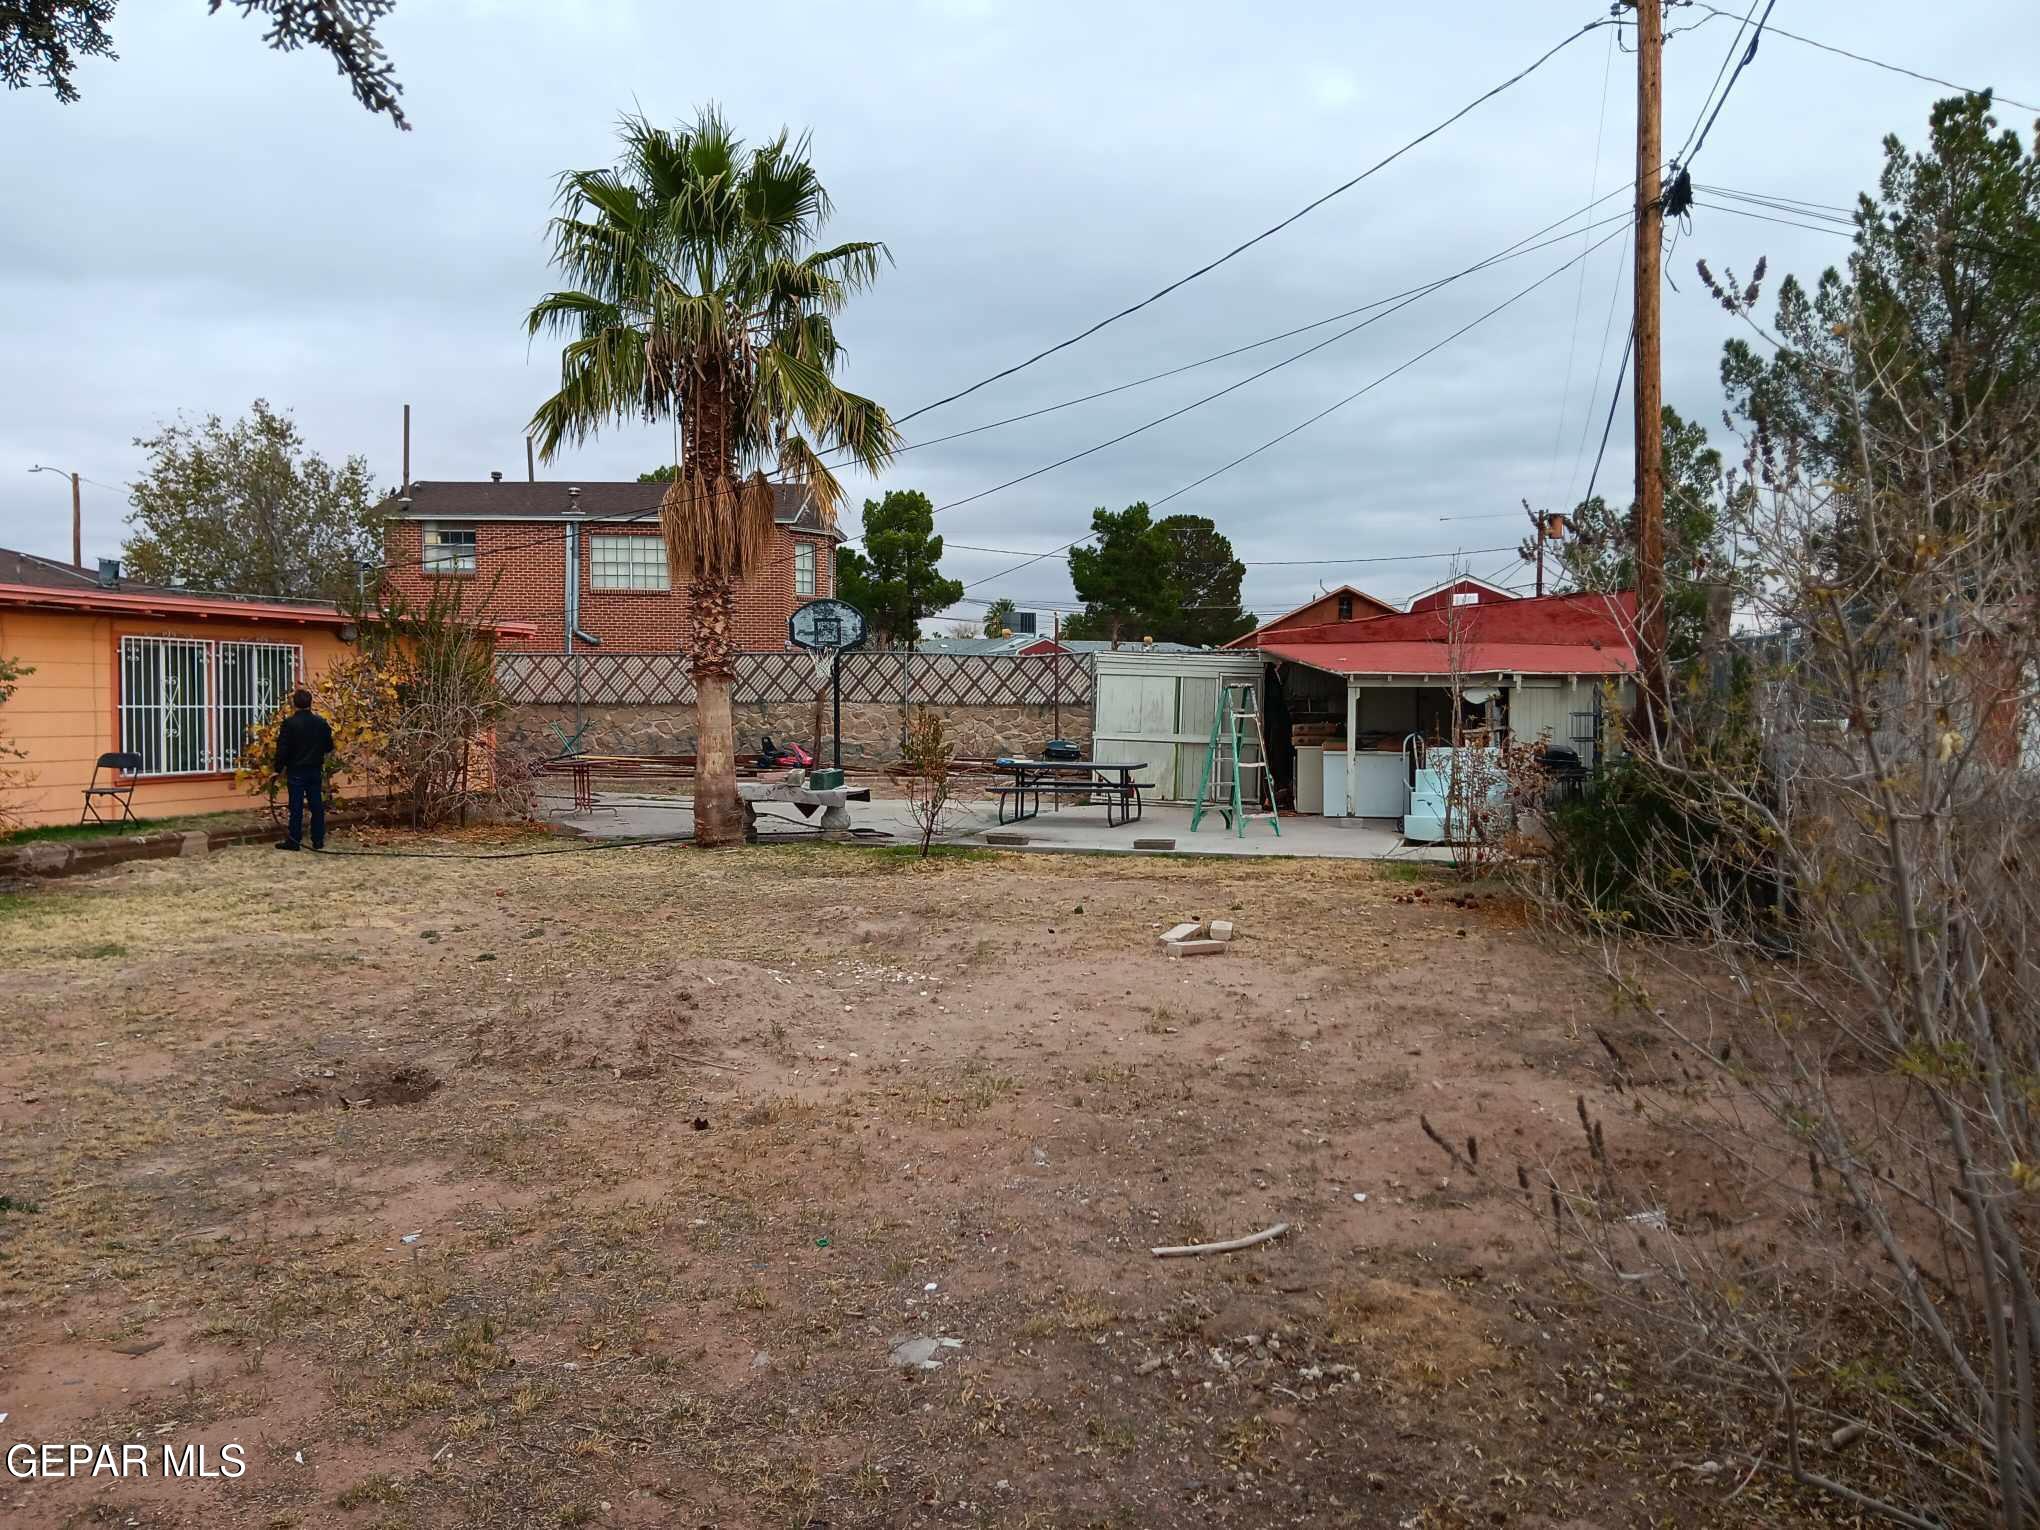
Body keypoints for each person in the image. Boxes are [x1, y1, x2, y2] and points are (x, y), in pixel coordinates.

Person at [273, 688, 335, 851]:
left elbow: (283, 749)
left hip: (296, 770)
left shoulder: (289, 724)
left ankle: (294, 841)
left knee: (296, 807)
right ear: (310, 703)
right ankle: (318, 840)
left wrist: (278, 768)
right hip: (314, 769)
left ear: (294, 704)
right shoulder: (321, 723)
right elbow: (329, 746)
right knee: (316, 806)